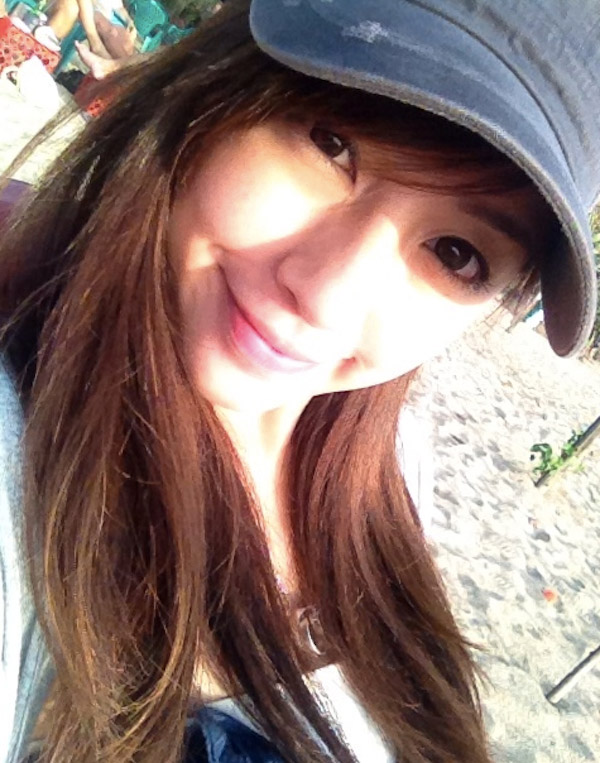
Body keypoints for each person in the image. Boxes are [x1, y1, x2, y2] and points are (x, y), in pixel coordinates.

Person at [0, 1, 598, 762]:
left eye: (454, 253)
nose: (326, 298)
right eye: (331, 143)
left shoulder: (399, 468)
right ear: (218, 89)